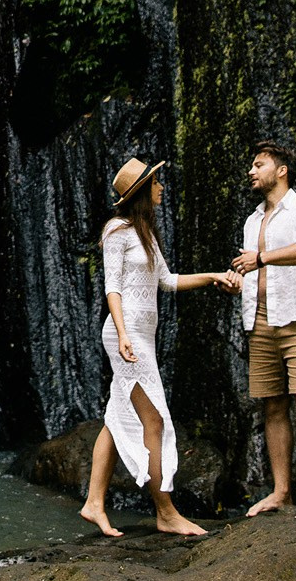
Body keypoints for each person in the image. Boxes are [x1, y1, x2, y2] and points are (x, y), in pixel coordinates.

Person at [77, 157, 240, 538]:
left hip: (139, 336)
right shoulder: (117, 230)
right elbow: (112, 288)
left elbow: (167, 280)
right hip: (126, 334)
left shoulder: (145, 232)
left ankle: (93, 503)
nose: (162, 187)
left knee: (115, 419)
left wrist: (213, 276)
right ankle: (165, 511)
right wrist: (123, 335)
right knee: (155, 421)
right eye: (156, 183)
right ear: (141, 192)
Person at [233, 140, 296, 521]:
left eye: (258, 164)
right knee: (272, 405)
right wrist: (236, 279)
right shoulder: (252, 220)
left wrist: (260, 258)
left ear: (281, 170)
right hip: (260, 319)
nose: (251, 171)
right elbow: (254, 270)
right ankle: (280, 492)